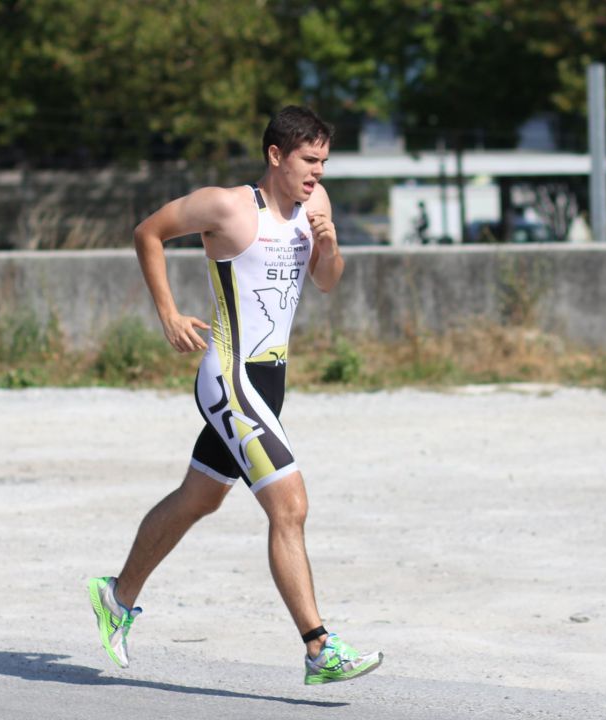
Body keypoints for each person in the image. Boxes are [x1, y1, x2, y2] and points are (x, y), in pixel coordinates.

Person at [88, 106, 383, 686]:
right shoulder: (226, 207)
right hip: (229, 374)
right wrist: (168, 312)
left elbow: (327, 281)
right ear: (276, 156)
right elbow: (147, 231)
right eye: (308, 160)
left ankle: (115, 597)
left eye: (324, 162)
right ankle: (319, 648)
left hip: (271, 381)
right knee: (290, 506)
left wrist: (327, 247)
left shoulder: (316, 208)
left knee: (199, 498)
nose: (317, 174)